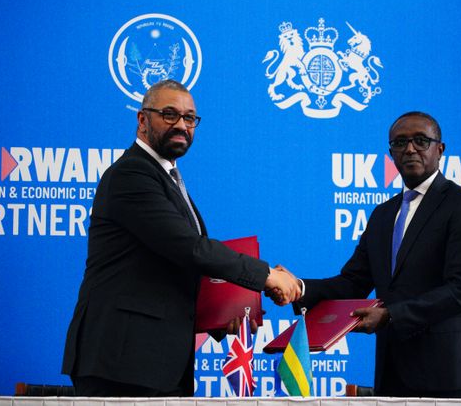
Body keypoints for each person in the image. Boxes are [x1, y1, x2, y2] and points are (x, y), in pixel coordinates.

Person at [62, 79, 300, 397]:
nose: (181, 125)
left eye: (189, 118)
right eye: (169, 114)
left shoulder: (168, 176)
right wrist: (266, 275)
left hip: (159, 361)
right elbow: (189, 249)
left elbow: (173, 268)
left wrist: (226, 314)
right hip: (122, 361)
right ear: (142, 120)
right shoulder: (131, 174)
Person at [286, 111, 461, 397]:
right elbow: (352, 282)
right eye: (400, 143)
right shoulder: (383, 215)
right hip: (396, 371)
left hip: (454, 372)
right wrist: (297, 288)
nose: (410, 149)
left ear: (440, 150)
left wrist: (390, 316)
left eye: (420, 141)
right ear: (391, 154)